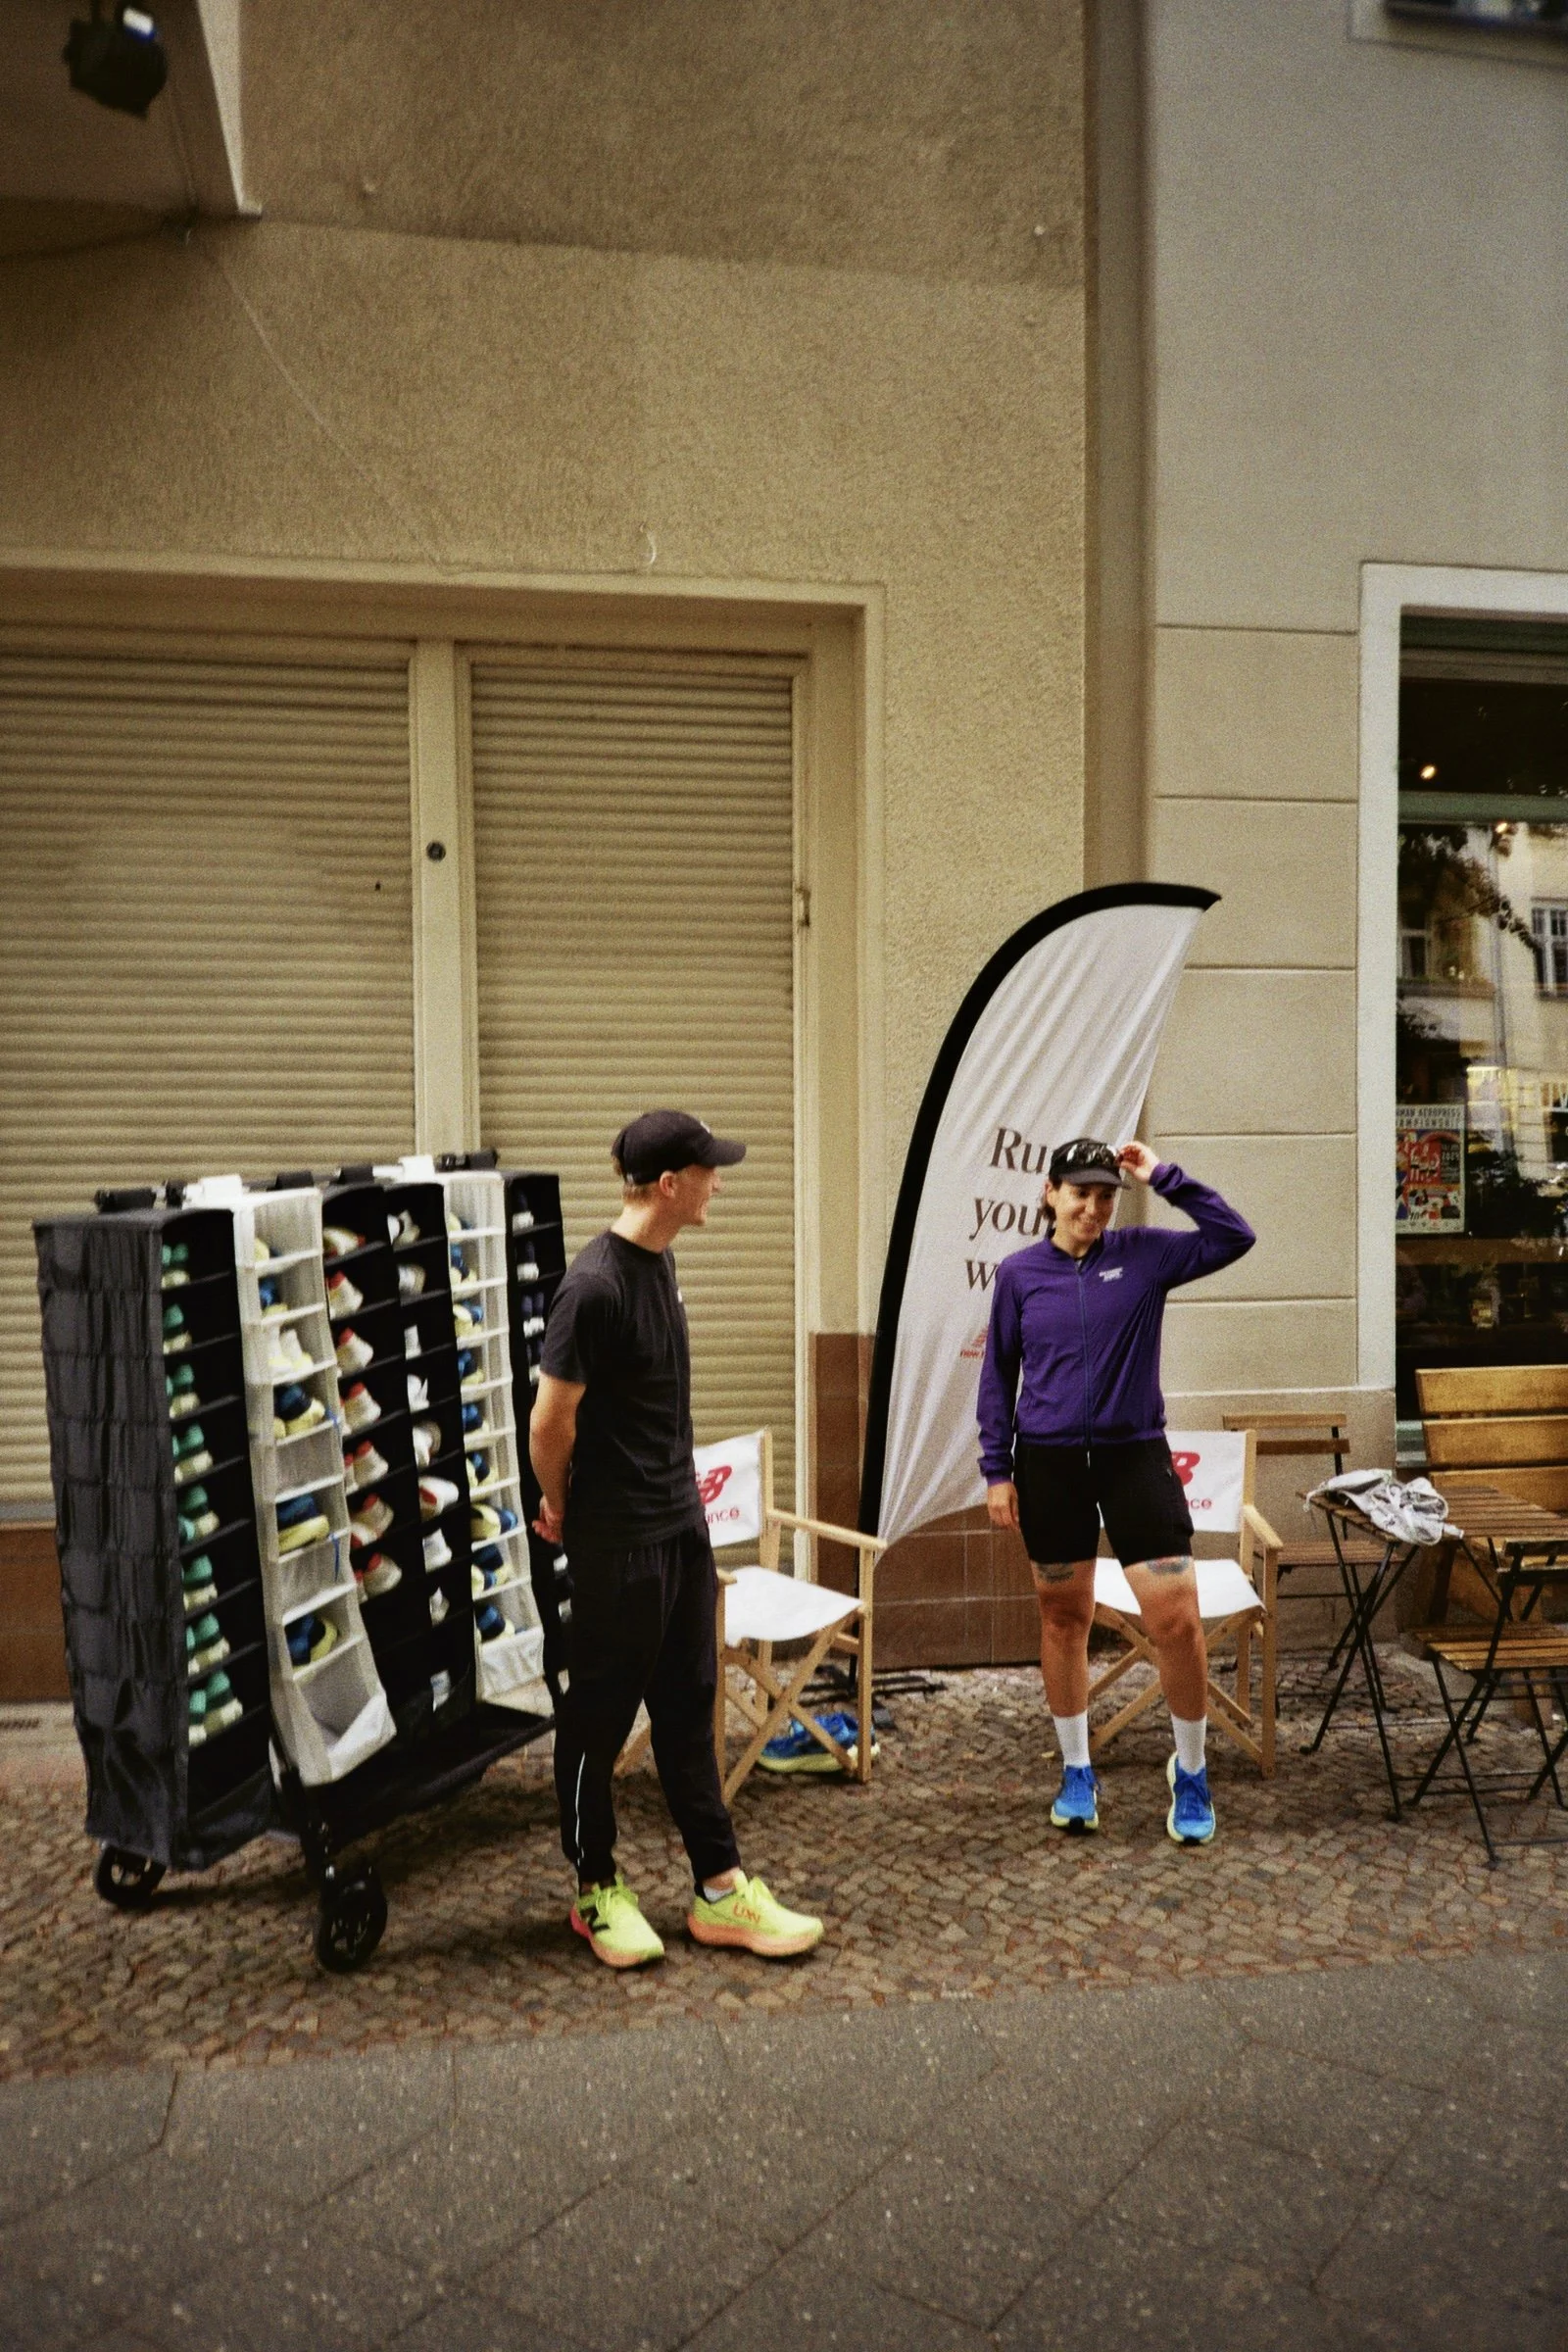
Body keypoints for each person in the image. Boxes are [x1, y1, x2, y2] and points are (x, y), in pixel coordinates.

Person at [529, 1107, 824, 1969]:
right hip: (617, 1539)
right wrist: (561, 1507)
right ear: (669, 1185)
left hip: (679, 1528)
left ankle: (720, 1890)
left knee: (690, 1711)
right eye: (708, 1170)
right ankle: (595, 1887)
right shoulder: (594, 1288)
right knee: (599, 1718)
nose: (718, 1183)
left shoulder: (659, 1263)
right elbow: (549, 1421)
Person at [977, 1136, 1254, 1845]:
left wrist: (1163, 1176)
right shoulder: (1019, 1274)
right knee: (1063, 1618)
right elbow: (998, 1373)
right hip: (1049, 1465)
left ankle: (1191, 1771)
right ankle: (1077, 1770)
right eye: (1081, 1193)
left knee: (1177, 1620)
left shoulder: (1145, 1255)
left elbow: (1234, 1236)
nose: (1094, 1208)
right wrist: (997, 1471)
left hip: (1135, 1458)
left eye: (1106, 1195)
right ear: (1050, 1193)